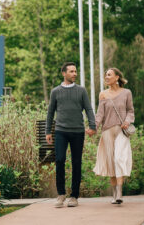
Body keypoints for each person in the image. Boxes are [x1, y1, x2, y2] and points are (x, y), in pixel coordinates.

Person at [46, 62, 96, 208]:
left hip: (78, 131)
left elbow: (88, 108)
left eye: (75, 71)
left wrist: (92, 126)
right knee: (60, 160)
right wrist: (48, 131)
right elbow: (50, 112)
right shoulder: (55, 91)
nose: (75, 74)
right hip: (61, 131)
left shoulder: (81, 90)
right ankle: (61, 194)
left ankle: (74, 196)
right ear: (64, 73)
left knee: (76, 162)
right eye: (72, 71)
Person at [90, 67, 134, 204]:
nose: (106, 77)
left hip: (121, 130)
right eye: (105, 75)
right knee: (110, 162)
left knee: (119, 159)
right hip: (107, 131)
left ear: (117, 77)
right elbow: (100, 114)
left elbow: (130, 111)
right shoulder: (103, 94)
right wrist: (93, 127)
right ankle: (114, 194)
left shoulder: (127, 92)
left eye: (109, 75)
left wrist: (127, 121)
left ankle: (120, 192)